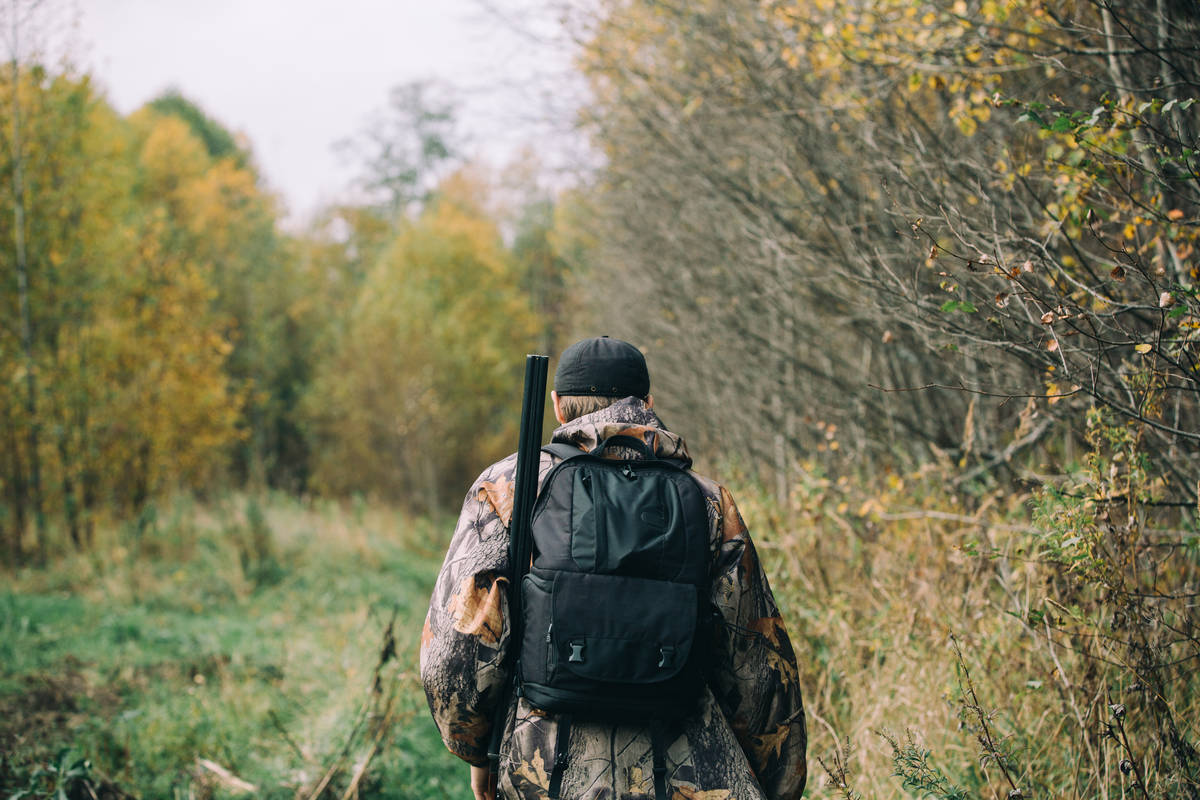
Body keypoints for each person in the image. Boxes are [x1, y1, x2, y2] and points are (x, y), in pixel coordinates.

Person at [420, 336, 807, 800]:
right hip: (688, 775)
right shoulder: (709, 503)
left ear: (559, 407)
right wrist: (779, 784)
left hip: (543, 774)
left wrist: (477, 751)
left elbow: (456, 651)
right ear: (648, 403)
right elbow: (757, 662)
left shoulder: (509, 487)